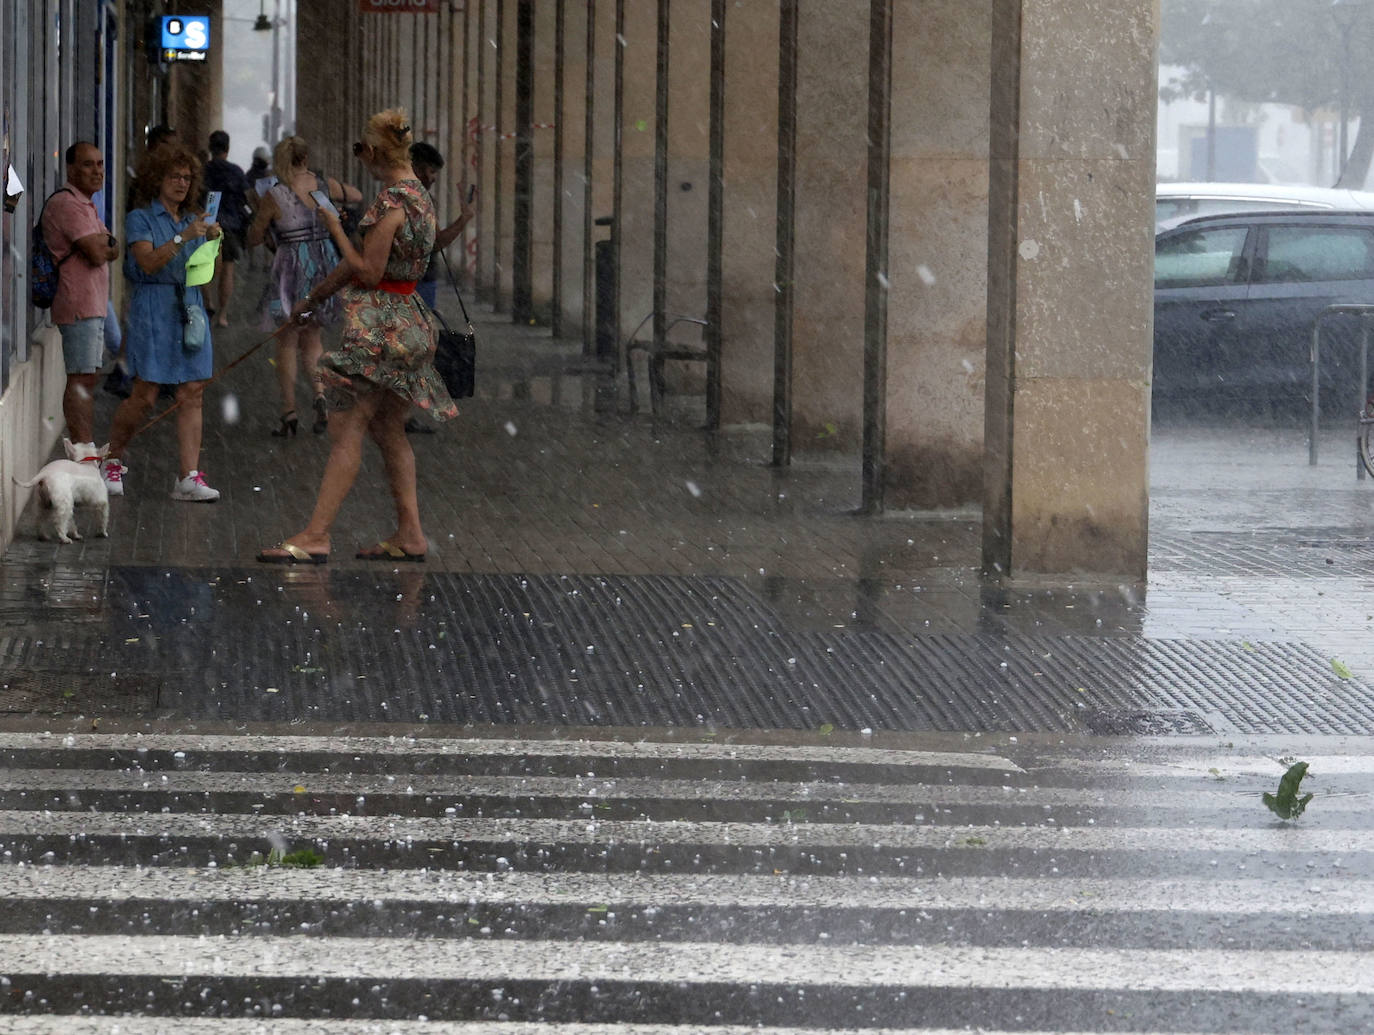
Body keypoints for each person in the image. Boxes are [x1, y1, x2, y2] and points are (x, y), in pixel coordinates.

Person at [256, 109, 458, 565]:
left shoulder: (391, 203)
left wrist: (334, 229)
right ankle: (411, 534)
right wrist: (315, 295)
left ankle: (316, 535)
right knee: (389, 427)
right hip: (411, 320)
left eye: (361, 150)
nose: (360, 159)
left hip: (382, 326)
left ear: (374, 152)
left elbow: (367, 269)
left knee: (348, 425)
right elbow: (366, 265)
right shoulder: (420, 198)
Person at [104, 144, 223, 502]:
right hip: (153, 305)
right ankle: (111, 459)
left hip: (187, 305)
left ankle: (189, 476)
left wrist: (211, 244)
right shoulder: (141, 218)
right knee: (146, 392)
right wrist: (183, 238)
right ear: (158, 179)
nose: (182, 183)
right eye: (174, 176)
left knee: (192, 391)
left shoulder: (192, 219)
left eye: (187, 178)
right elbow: (148, 264)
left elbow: (201, 275)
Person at [247, 136, 357, 437]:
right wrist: (336, 196)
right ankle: (320, 395)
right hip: (322, 265)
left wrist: (260, 219)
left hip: (290, 268)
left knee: (287, 341)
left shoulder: (275, 193)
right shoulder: (323, 186)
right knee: (313, 337)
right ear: (306, 158)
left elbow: (254, 237)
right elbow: (357, 195)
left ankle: (289, 412)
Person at [41, 142, 119, 469]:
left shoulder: (87, 205)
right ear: (71, 169)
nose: (97, 170)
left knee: (87, 376)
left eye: (100, 164)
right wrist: (104, 245)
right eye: (88, 165)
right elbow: (101, 251)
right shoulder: (67, 204)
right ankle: (84, 454)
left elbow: (112, 245)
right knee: (81, 379)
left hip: (93, 303)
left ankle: (84, 451)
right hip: (78, 303)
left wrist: (105, 244)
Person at [203, 130, 251, 327]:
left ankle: (208, 303)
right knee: (228, 268)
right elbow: (246, 197)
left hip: (208, 221)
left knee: (205, 264)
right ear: (228, 149)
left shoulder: (204, 170)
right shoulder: (236, 171)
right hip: (230, 224)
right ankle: (222, 315)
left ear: (210, 148)